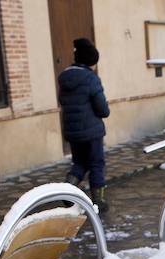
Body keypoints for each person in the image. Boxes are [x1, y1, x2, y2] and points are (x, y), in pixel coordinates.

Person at [58, 38, 111, 212]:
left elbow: (62, 102)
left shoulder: (64, 78)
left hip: (72, 131)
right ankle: (98, 201)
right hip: (91, 132)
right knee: (96, 163)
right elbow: (102, 109)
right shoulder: (91, 78)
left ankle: (67, 191)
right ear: (91, 61)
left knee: (79, 163)